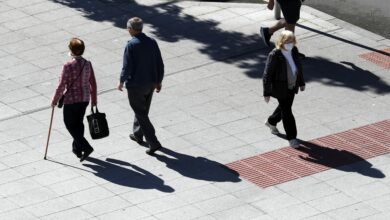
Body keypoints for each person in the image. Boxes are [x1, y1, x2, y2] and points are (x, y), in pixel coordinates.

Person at [118, 17, 164, 155]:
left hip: (136, 85)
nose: (127, 30)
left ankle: (153, 142)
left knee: (141, 113)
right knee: (142, 110)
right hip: (150, 83)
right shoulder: (152, 41)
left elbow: (127, 67)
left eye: (128, 28)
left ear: (131, 29)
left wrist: (121, 81)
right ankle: (138, 135)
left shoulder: (131, 45)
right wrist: (159, 81)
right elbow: (159, 63)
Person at [52, 38, 97, 162]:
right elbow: (92, 82)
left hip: (71, 100)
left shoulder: (67, 66)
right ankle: (77, 149)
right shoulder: (87, 63)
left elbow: (61, 85)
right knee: (78, 123)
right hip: (84, 98)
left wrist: (54, 100)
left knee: (69, 124)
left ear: (71, 50)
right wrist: (94, 99)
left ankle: (86, 147)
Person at [263, 30, 305, 148]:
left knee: (284, 107)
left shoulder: (294, 51)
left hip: (292, 85)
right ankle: (292, 138)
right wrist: (267, 92)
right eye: (287, 41)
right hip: (280, 87)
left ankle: (271, 121)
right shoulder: (275, 54)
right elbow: (267, 74)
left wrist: (301, 82)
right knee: (287, 112)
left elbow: (298, 68)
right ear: (281, 41)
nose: (290, 44)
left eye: (292, 41)